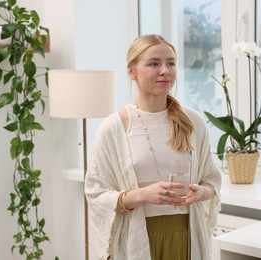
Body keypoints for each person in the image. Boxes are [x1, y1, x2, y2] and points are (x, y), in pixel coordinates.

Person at [84, 34, 221, 260]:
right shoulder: (114, 128)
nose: (165, 70)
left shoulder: (193, 122)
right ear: (132, 72)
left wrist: (198, 192)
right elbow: (97, 194)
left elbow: (212, 180)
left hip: (185, 236)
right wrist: (142, 195)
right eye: (154, 63)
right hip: (137, 238)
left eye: (171, 63)